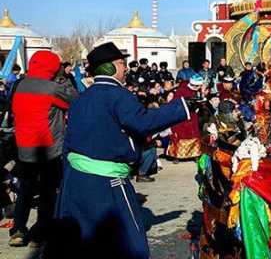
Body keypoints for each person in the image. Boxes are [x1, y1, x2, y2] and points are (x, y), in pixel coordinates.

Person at [48, 42, 193, 259]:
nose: (126, 68)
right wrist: (183, 107)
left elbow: (69, 144)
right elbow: (143, 122)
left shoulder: (81, 98)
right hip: (108, 183)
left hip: (77, 182)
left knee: (84, 242)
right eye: (121, 64)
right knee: (128, 243)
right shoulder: (117, 94)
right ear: (108, 68)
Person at [9, 51, 77, 247]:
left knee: (26, 189)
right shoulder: (52, 88)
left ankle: (19, 230)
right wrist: (63, 78)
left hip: (23, 146)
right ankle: (40, 233)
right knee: (48, 191)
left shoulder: (20, 84)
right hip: (48, 147)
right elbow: (74, 99)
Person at [166, 75, 203, 162]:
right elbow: (176, 103)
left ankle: (195, 154)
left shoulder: (196, 90)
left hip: (192, 115)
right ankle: (176, 155)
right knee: (179, 135)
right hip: (182, 116)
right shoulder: (181, 90)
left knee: (194, 134)